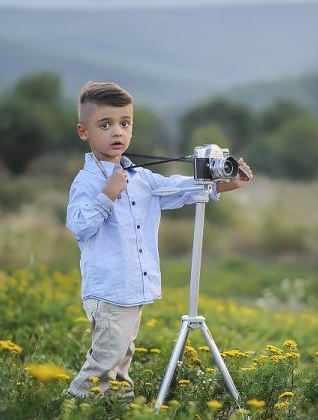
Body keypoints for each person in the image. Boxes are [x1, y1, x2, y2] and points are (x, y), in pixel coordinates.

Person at [65, 81, 253, 397]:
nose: (117, 133)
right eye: (105, 125)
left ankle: (118, 404)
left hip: (132, 288)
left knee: (122, 356)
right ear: (84, 132)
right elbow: (79, 226)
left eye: (125, 124)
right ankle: (73, 405)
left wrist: (225, 184)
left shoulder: (142, 178)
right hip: (110, 289)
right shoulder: (88, 181)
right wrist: (107, 195)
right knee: (105, 359)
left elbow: (178, 188)